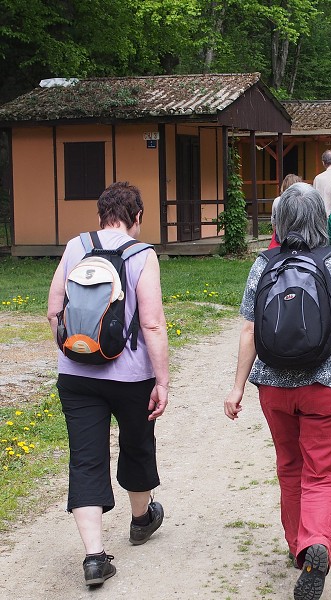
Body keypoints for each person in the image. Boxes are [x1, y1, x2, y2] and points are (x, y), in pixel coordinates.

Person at [224, 182, 331, 600]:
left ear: (278, 221)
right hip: (325, 384)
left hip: (273, 387)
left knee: (290, 466)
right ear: (321, 219)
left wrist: (237, 388)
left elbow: (250, 330)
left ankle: (298, 547)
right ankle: (317, 542)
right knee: (323, 471)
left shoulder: (263, 264)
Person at [47, 182, 169, 586]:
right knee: (136, 443)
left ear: (101, 216)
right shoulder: (142, 254)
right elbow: (151, 322)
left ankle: (95, 558)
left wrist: (74, 354)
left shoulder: (74, 247)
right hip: (132, 376)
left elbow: (53, 312)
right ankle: (140, 520)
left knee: (85, 458)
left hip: (76, 376)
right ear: (138, 218)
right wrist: (162, 381)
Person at [269, 173, 302, 249]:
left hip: (280, 238)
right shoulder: (304, 201)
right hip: (300, 237)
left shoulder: (277, 201)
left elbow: (274, 223)